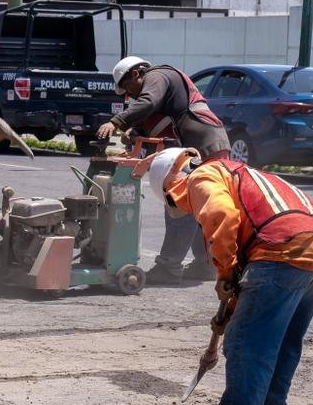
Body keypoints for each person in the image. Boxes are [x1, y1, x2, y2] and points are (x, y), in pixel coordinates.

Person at [142, 146, 313, 405]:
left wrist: (226, 273)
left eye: (174, 200)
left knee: (247, 342)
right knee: (283, 341)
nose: (183, 206)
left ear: (172, 182)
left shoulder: (202, 176)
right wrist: (232, 304)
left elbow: (221, 216)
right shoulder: (248, 175)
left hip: (279, 249)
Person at [97, 56, 230, 286]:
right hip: (210, 143)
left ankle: (169, 268)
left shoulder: (157, 76)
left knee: (179, 201)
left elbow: (148, 102)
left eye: (128, 88)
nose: (130, 96)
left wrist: (116, 122)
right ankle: (205, 264)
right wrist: (135, 131)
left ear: (136, 73)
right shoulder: (165, 84)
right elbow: (155, 118)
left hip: (202, 144)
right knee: (200, 205)